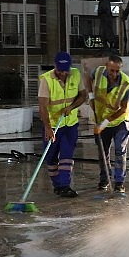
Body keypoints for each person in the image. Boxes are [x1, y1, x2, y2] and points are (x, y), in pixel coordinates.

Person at [37, 51, 88, 198]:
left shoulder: (76, 74)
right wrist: (47, 127)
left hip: (70, 124)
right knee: (51, 157)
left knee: (67, 154)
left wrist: (71, 108)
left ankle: (65, 185)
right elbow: (42, 107)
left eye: (66, 70)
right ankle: (57, 186)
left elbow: (83, 95)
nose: (63, 73)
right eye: (60, 70)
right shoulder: (46, 80)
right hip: (52, 125)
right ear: (55, 67)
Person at [85, 54, 129, 193]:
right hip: (100, 118)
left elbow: (123, 109)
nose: (114, 74)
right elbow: (87, 77)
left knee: (120, 151)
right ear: (107, 67)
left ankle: (119, 182)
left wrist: (106, 122)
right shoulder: (99, 72)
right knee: (102, 151)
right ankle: (104, 179)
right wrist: (91, 96)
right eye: (112, 70)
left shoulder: (126, 83)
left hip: (119, 121)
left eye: (117, 71)